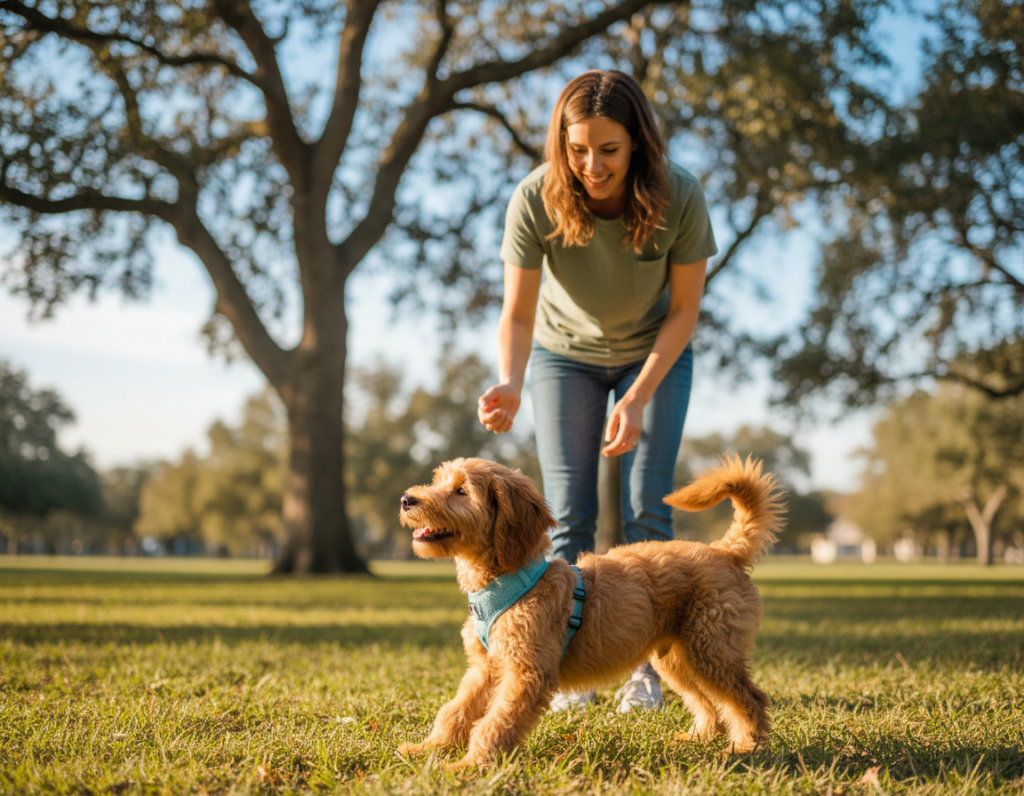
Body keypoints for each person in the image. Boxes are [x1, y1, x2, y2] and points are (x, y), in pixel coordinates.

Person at [477, 70, 717, 712]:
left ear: (637, 143)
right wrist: (511, 378)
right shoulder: (535, 198)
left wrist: (638, 396)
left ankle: (646, 670)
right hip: (564, 357)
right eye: (577, 149)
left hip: (655, 353)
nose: (592, 165)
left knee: (647, 509)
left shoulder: (680, 196)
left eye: (608, 150)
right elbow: (520, 313)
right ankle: (555, 667)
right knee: (566, 516)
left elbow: (686, 310)